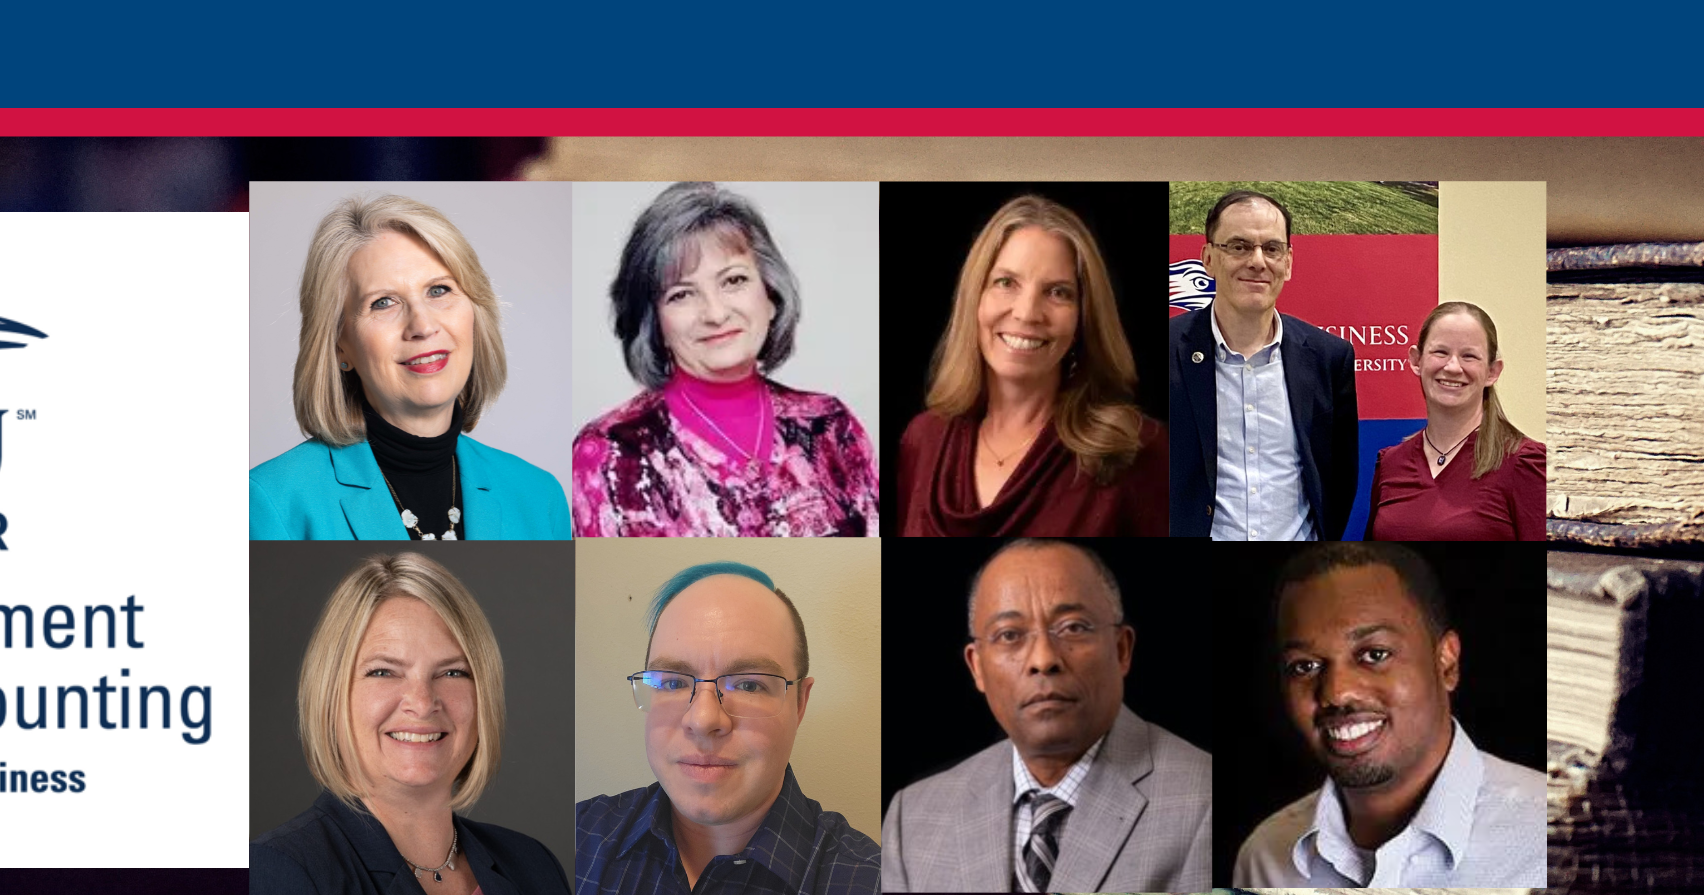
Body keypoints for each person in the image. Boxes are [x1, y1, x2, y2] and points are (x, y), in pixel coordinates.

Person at [883, 541, 1211, 892]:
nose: (1043, 659)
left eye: (1072, 628)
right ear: (976, 666)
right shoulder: (913, 817)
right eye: (1009, 635)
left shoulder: (1203, 800)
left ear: (1121, 650)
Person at [249, 193, 569, 540]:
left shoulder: (540, 496)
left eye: (438, 290)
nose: (422, 325)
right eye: (383, 302)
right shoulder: (269, 501)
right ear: (340, 343)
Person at [250, 553, 568, 895]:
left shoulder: (534, 866)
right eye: (384, 672)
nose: (421, 702)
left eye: (452, 672)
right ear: (332, 693)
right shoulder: (278, 871)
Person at [572, 183, 878, 537]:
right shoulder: (611, 451)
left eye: (733, 280)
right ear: (654, 321)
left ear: (770, 294)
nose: (715, 314)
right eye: (682, 294)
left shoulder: (831, 426)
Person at [1235, 543, 1545, 888]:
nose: (1337, 693)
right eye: (1305, 666)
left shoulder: (1551, 839)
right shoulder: (1264, 858)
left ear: (1447, 662)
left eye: (1374, 654)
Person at [575, 562, 880, 894]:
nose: (703, 720)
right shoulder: (578, 837)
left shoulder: (872, 882)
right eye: (673, 682)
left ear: (800, 703)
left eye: (749, 685)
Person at [897, 195, 1167, 536]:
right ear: (974, 298)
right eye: (1006, 283)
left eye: (1057, 292)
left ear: (1083, 317)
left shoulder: (1140, 451)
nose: (1026, 313)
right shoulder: (922, 440)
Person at [1168, 189, 1358, 540]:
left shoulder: (1329, 357)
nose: (1258, 261)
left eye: (1271, 248)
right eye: (1238, 246)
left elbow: (1339, 480)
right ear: (1208, 258)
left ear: (1288, 262)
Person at [1366, 302, 1547, 540]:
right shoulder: (1391, 463)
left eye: (1469, 356)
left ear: (1492, 372)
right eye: (1440, 352)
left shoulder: (1524, 463)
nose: (1452, 367)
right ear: (1416, 361)